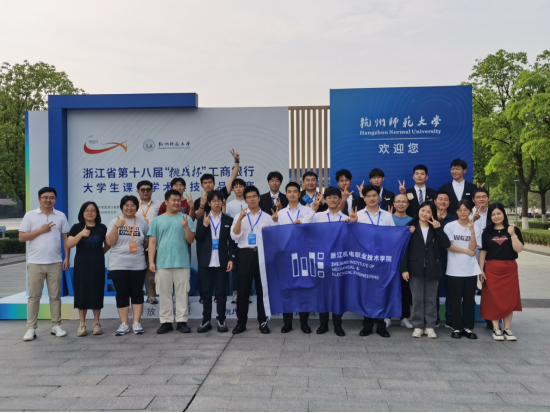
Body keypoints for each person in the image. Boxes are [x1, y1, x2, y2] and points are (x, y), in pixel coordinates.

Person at [19, 187, 70, 341]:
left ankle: (56, 325)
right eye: (45, 197)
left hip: (55, 262)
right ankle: (31, 328)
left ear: (55, 199)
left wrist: (67, 258)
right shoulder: (30, 215)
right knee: (34, 297)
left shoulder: (60, 216)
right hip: (35, 263)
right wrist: (41, 230)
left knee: (55, 296)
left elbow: (66, 239)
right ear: (39, 199)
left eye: (52, 197)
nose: (48, 200)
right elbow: (22, 237)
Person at [148, 190, 196, 334]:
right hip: (162, 263)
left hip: (182, 262)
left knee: (182, 294)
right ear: (166, 202)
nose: (176, 203)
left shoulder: (187, 218)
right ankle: (166, 322)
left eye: (178, 200)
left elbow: (191, 240)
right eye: (173, 200)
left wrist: (186, 227)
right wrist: (151, 261)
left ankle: (182, 321)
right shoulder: (157, 220)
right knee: (164, 295)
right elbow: (152, 242)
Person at [401, 202, 451, 339]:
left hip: (433, 268)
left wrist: (438, 229)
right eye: (422, 210)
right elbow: (404, 250)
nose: (425, 214)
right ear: (418, 211)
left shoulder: (436, 228)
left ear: (432, 214)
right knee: (417, 299)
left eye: (428, 212)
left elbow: (446, 244)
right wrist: (404, 269)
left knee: (431, 299)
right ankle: (418, 326)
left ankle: (430, 326)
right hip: (414, 269)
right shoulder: (410, 227)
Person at [272, 182, 316, 334]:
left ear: (299, 194)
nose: (292, 194)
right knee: (287, 289)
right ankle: (287, 323)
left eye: (295, 191)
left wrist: (303, 224)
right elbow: (276, 235)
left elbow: (314, 231)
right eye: (289, 191)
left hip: (303, 254)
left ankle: (304, 323)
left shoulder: (308, 211)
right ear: (286, 194)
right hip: (285, 256)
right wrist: (274, 222)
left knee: (303, 288)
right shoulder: (280, 213)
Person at [231, 185, 275, 335]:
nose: (252, 199)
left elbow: (274, 239)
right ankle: (241, 323)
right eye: (249, 197)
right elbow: (234, 236)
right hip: (245, 254)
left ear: (259, 198)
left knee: (262, 290)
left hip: (262, 254)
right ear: (245, 200)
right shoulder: (239, 216)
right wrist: (240, 219)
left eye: (254, 196)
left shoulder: (268, 217)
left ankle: (263, 322)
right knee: (243, 291)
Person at [479, 204, 523, 342]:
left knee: (509, 298)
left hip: (509, 268)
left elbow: (518, 249)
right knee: (493, 299)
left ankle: (507, 329)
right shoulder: (487, 232)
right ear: (490, 217)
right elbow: (483, 251)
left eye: (499, 213)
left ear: (504, 214)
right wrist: (481, 270)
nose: (496, 216)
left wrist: (513, 234)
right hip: (492, 268)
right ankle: (496, 328)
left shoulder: (513, 229)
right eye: (493, 214)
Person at [106, 195, 149, 336]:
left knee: (137, 293)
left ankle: (136, 323)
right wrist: (116, 228)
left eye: (132, 205)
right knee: (122, 293)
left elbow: (146, 241)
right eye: (126, 205)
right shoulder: (114, 221)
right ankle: (124, 324)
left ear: (136, 207)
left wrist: (138, 250)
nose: (129, 208)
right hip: (118, 264)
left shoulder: (142, 223)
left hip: (138, 264)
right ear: (122, 207)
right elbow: (109, 242)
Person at [311, 186, 350, 337]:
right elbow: (304, 225)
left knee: (337, 293)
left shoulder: (345, 218)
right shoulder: (318, 217)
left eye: (335, 197)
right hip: (322, 261)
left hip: (339, 261)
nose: (332, 200)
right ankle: (323, 324)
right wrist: (313, 210)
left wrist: (352, 224)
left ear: (340, 199)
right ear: (324, 200)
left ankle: (337, 325)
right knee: (323, 293)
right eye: (329, 197)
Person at [356, 185, 394, 337]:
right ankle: (367, 325)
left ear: (379, 197)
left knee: (381, 291)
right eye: (368, 196)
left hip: (381, 259)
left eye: (374, 195)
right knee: (365, 292)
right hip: (364, 259)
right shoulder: (358, 215)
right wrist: (351, 223)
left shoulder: (387, 216)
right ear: (364, 198)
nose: (371, 198)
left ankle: (380, 326)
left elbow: (393, 235)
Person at [195, 190, 235, 333]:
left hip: (222, 261)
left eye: (219, 200)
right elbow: (198, 239)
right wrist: (205, 225)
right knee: (206, 293)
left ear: (222, 202)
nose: (217, 203)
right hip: (206, 262)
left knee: (221, 293)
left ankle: (221, 319)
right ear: (209, 203)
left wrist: (231, 259)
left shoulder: (228, 220)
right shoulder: (202, 219)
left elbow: (232, 242)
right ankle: (206, 320)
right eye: (214, 200)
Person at [67, 202, 110, 337]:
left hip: (97, 264)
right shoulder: (76, 227)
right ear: (82, 213)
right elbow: (69, 244)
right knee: (82, 292)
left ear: (97, 213)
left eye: (93, 210)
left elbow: (108, 244)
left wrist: (99, 253)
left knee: (97, 292)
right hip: (81, 265)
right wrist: (81, 234)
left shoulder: (102, 227)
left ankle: (96, 323)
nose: (90, 213)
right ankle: (82, 324)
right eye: (87, 210)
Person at [444, 200, 482, 340]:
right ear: (456, 211)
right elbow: (449, 246)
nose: (463, 212)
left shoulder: (475, 228)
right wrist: (466, 252)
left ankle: (467, 327)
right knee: (455, 300)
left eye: (466, 210)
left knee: (469, 300)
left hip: (470, 270)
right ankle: (456, 327)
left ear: (470, 212)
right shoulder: (450, 226)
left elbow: (473, 248)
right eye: (460, 210)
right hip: (454, 269)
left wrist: (471, 230)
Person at [434, 191, 458, 329]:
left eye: (446, 199)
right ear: (435, 201)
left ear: (449, 203)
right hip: (434, 259)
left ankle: (450, 319)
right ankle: (435, 318)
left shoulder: (454, 219)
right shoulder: (429, 217)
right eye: (440, 199)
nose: (443, 202)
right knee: (434, 290)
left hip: (451, 258)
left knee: (452, 290)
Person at [135, 180, 161, 305]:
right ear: (138, 191)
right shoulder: (133, 204)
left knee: (152, 271)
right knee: (138, 271)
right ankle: (137, 295)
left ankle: (151, 295)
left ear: (152, 190)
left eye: (148, 189)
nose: (145, 192)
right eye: (143, 190)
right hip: (138, 242)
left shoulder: (158, 204)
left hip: (154, 241)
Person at [194, 149, 240, 217]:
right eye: (205, 183)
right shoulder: (198, 201)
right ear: (202, 185)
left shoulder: (222, 193)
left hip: (221, 223)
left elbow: (233, 177)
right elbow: (198, 217)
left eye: (210, 182)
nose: (208, 185)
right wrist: (202, 204)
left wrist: (237, 161)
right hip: (206, 223)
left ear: (214, 184)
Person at [471, 187, 492, 329]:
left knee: (489, 285)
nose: (481, 199)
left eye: (484, 196)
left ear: (488, 198)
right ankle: (470, 316)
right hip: (472, 253)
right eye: (478, 197)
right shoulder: (467, 213)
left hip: (489, 254)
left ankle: (490, 317)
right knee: (471, 286)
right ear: (473, 200)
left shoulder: (494, 213)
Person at [391, 193, 413, 329]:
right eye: (398, 201)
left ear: (408, 204)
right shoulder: (388, 219)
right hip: (390, 259)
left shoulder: (413, 221)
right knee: (389, 287)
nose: (401, 204)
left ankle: (404, 317)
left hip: (407, 260)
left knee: (405, 289)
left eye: (403, 201)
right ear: (394, 204)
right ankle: (387, 316)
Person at [225, 178, 248, 304]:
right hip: (234, 240)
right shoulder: (230, 204)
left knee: (247, 268)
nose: (238, 189)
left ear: (245, 187)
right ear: (233, 189)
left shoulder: (249, 203)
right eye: (236, 187)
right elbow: (226, 221)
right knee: (235, 268)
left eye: (241, 186)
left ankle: (247, 293)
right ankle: (235, 292)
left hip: (247, 240)